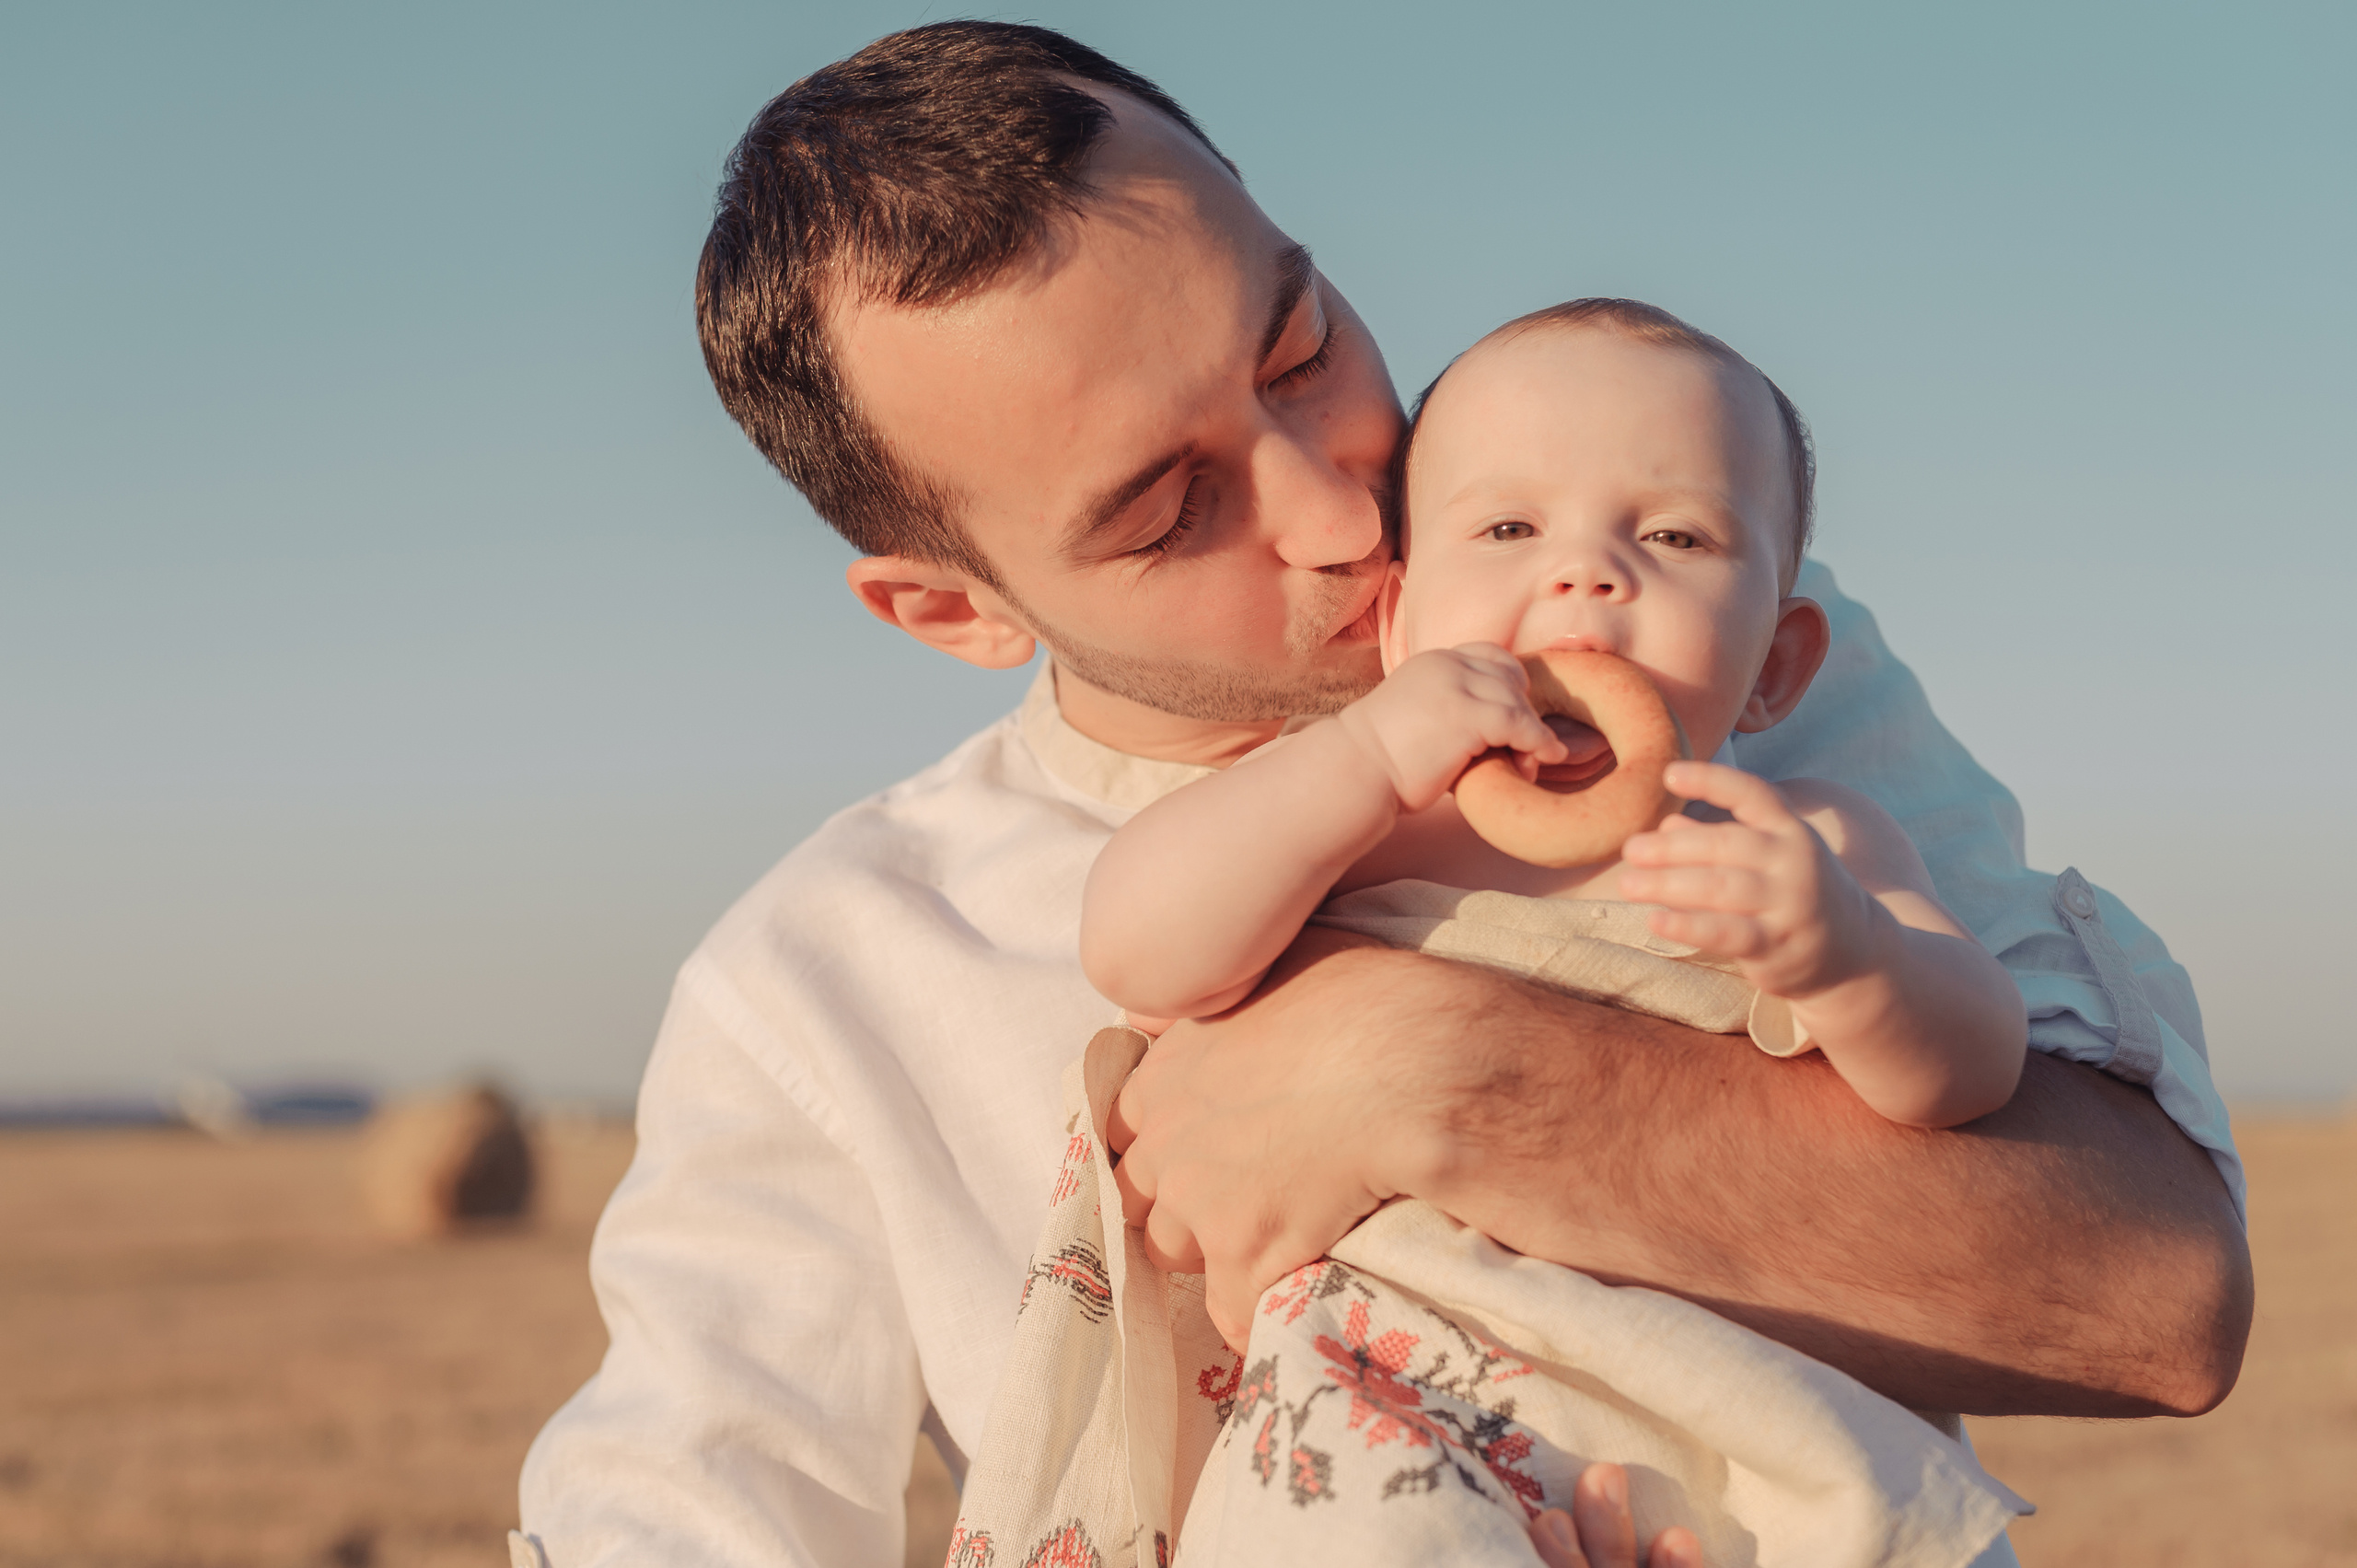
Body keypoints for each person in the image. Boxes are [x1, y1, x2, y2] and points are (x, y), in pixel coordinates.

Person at [516, 22, 2250, 1568]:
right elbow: (673, 1511)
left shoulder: (1717, 655)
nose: (1347, 513)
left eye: (1298, 348)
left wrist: (1432, 1077)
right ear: (953, 610)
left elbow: (2160, 1302)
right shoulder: (829, 980)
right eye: (1165, 510)